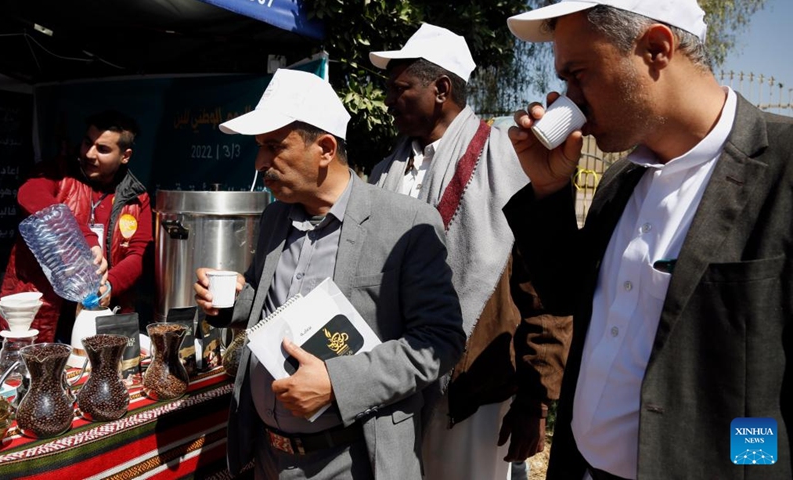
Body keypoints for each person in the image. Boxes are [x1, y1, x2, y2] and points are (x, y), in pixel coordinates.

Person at [504, 1, 793, 479]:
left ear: (656, 48)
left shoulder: (782, 169)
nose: (566, 102)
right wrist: (549, 189)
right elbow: (568, 297)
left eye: (579, 75)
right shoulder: (622, 180)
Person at [193, 68, 465, 480]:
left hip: (352, 461)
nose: (260, 163)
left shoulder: (406, 224)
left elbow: (440, 342)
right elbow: (270, 306)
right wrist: (230, 301)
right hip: (267, 457)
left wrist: (338, 383)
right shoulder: (274, 219)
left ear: (324, 148)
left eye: (272, 147)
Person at [367, 23, 572, 480]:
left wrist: (535, 400)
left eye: (401, 89)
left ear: (441, 89)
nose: (389, 100)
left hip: (472, 386)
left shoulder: (509, 160)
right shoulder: (387, 169)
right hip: (393, 381)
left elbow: (541, 287)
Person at [0, 110, 152, 343]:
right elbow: (28, 194)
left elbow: (138, 255)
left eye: (103, 149)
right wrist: (85, 239)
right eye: (88, 142)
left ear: (125, 155)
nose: (89, 153)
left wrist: (108, 286)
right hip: (42, 319)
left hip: (98, 320)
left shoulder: (137, 198)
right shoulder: (56, 174)